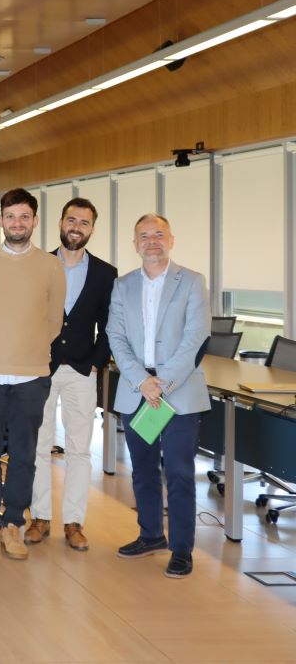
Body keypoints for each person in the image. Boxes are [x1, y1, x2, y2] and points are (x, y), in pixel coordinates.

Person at [0, 188, 65, 560]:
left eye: (24, 217)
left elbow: (54, 321)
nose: (17, 223)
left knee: (25, 454)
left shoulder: (51, 266)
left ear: (34, 221)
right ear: (1, 220)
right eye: (10, 216)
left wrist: (27, 348)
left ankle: (14, 525)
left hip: (32, 374)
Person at [106, 214, 209, 579]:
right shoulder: (122, 286)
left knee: (179, 472)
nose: (152, 241)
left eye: (159, 235)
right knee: (144, 471)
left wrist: (162, 383)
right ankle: (150, 534)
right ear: (135, 244)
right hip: (137, 391)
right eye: (144, 236)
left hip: (177, 392)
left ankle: (181, 549)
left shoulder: (193, 282)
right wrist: (141, 381)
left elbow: (196, 337)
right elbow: (115, 337)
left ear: (172, 240)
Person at [26, 198, 117, 552]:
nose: (76, 227)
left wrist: (97, 360)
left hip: (82, 369)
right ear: (60, 223)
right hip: (40, 368)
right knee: (38, 447)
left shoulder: (105, 274)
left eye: (84, 222)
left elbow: (111, 325)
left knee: (79, 450)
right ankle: (40, 517)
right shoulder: (38, 265)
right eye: (71, 220)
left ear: (92, 228)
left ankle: (74, 522)